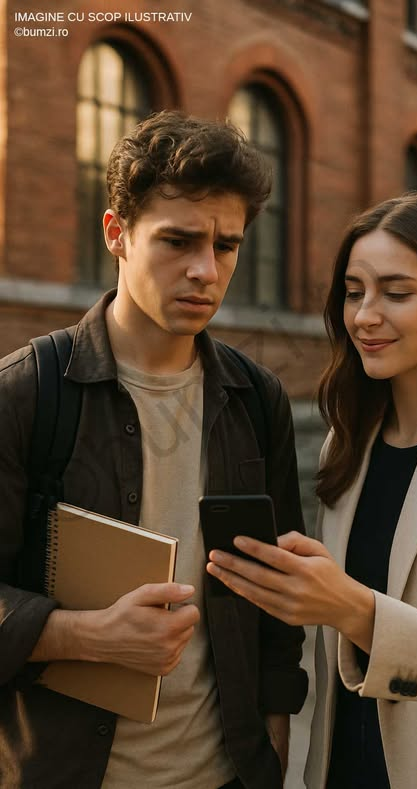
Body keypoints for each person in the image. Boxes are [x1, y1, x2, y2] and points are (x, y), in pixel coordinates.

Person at [0, 110, 307, 789]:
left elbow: (277, 618)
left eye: (227, 246)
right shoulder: (26, 394)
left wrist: (274, 759)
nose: (205, 270)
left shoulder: (258, 401)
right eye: (178, 240)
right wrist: (83, 634)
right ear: (117, 233)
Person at [207, 192, 417, 789]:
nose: (365, 316)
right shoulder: (346, 443)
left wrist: (349, 606)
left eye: (397, 293)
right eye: (354, 292)